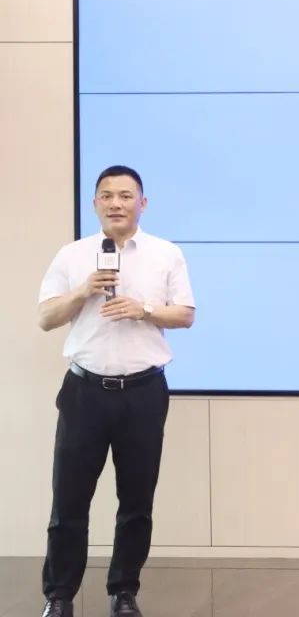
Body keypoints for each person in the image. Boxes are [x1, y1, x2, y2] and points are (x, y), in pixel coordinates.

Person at [37, 166, 195, 617]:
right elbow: (46, 318)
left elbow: (185, 315)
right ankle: (59, 596)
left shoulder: (166, 254)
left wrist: (144, 309)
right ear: (95, 204)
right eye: (106, 195)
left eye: (126, 195)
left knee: (136, 501)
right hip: (84, 392)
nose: (116, 203)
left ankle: (123, 590)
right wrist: (82, 291)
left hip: (143, 393)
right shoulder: (72, 255)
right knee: (69, 501)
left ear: (142, 203)